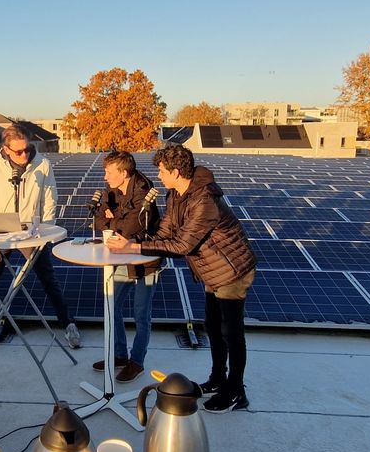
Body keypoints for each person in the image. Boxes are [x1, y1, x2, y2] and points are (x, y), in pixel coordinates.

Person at [107, 144, 257, 412]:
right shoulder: (176, 193)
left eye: (162, 171)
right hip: (212, 269)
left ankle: (235, 391)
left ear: (176, 171)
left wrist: (134, 249)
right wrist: (134, 240)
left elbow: (182, 245)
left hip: (231, 269)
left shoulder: (204, 200)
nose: (159, 176)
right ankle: (217, 379)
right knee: (213, 326)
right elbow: (165, 230)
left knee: (231, 332)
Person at [0, 124, 81, 352]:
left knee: (49, 280)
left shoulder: (42, 164)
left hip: (31, 232)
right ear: (6, 149)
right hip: (0, 231)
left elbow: (50, 198)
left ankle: (69, 325)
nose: (24, 155)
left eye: (27, 149)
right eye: (18, 151)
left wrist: (45, 230)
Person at [93, 150, 160, 383]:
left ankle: (137, 362)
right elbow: (99, 219)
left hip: (145, 257)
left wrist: (113, 219)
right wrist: (114, 219)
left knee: (141, 313)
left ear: (123, 173)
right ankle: (120, 355)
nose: (105, 177)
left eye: (108, 172)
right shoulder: (112, 189)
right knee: (112, 305)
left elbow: (130, 229)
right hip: (121, 254)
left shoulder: (144, 191)